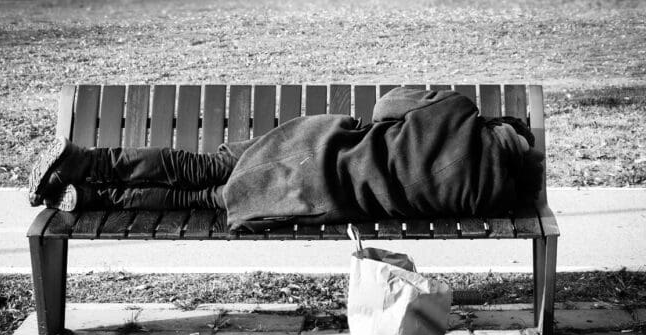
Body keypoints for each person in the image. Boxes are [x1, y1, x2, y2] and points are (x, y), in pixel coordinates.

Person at [29, 87, 544, 233]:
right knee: (208, 196)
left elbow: (387, 106)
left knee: (199, 166)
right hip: (325, 196)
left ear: (502, 129)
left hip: (317, 149)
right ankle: (95, 195)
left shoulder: (457, 111)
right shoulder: (489, 195)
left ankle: (82, 160)